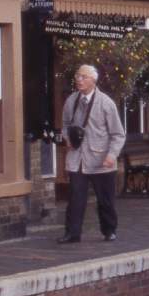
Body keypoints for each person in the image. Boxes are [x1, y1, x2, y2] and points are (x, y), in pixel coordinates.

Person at [58, 64, 126, 243]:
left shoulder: (106, 103)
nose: (79, 80)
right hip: (77, 159)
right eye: (77, 76)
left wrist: (111, 155)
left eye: (83, 77)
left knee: (105, 200)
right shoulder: (71, 101)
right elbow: (65, 125)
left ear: (93, 80)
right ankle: (72, 233)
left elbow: (118, 134)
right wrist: (67, 139)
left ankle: (109, 230)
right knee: (75, 198)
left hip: (101, 160)